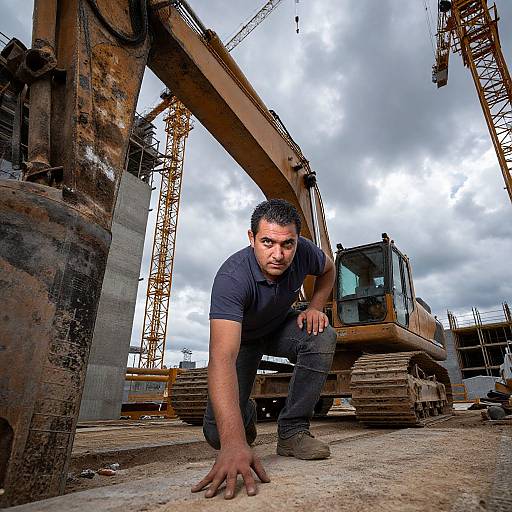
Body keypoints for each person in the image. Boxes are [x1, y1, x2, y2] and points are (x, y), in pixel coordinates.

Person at [192, 198, 337, 499]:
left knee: (322, 334)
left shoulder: (306, 252)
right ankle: (246, 412)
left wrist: (315, 306)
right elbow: (222, 357)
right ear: (251, 238)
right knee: (216, 434)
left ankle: (293, 431)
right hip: (243, 339)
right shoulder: (232, 279)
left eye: (288, 244)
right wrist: (233, 444)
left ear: (298, 241)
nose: (279, 254)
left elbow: (329, 269)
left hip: (279, 325)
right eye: (267, 242)